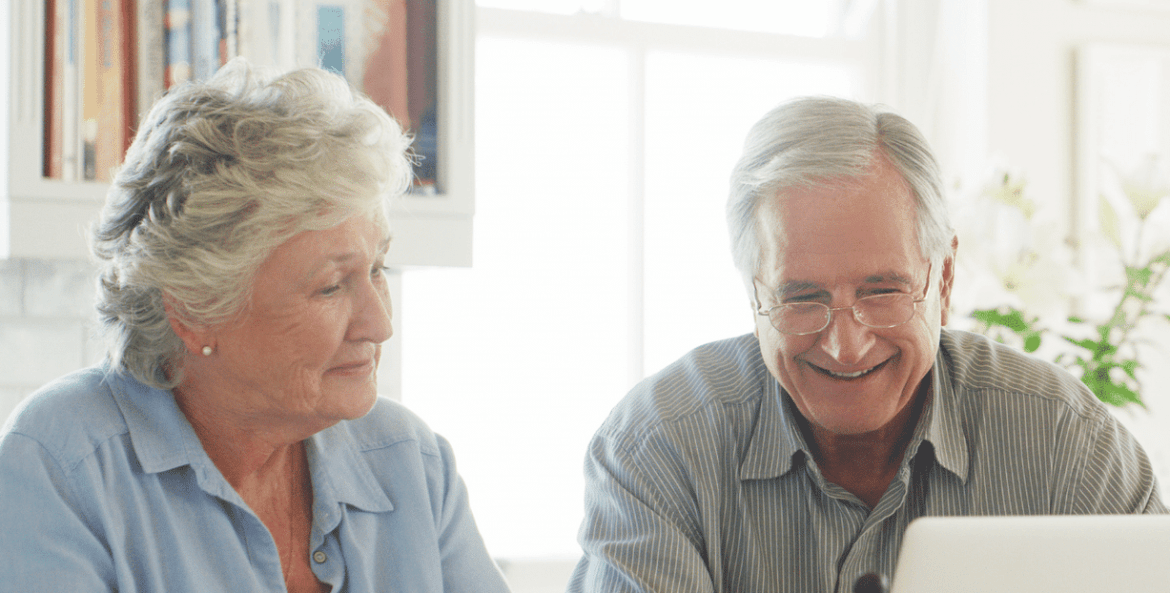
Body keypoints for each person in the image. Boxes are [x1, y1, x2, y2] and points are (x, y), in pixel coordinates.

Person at [567, 96, 1167, 593]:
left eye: (882, 291)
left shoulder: (1067, 442)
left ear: (945, 279)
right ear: (755, 298)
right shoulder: (657, 448)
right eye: (802, 298)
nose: (846, 345)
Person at [0, 59, 509, 593]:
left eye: (377, 269)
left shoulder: (413, 465)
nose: (379, 325)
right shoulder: (59, 469)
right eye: (331, 286)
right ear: (196, 312)